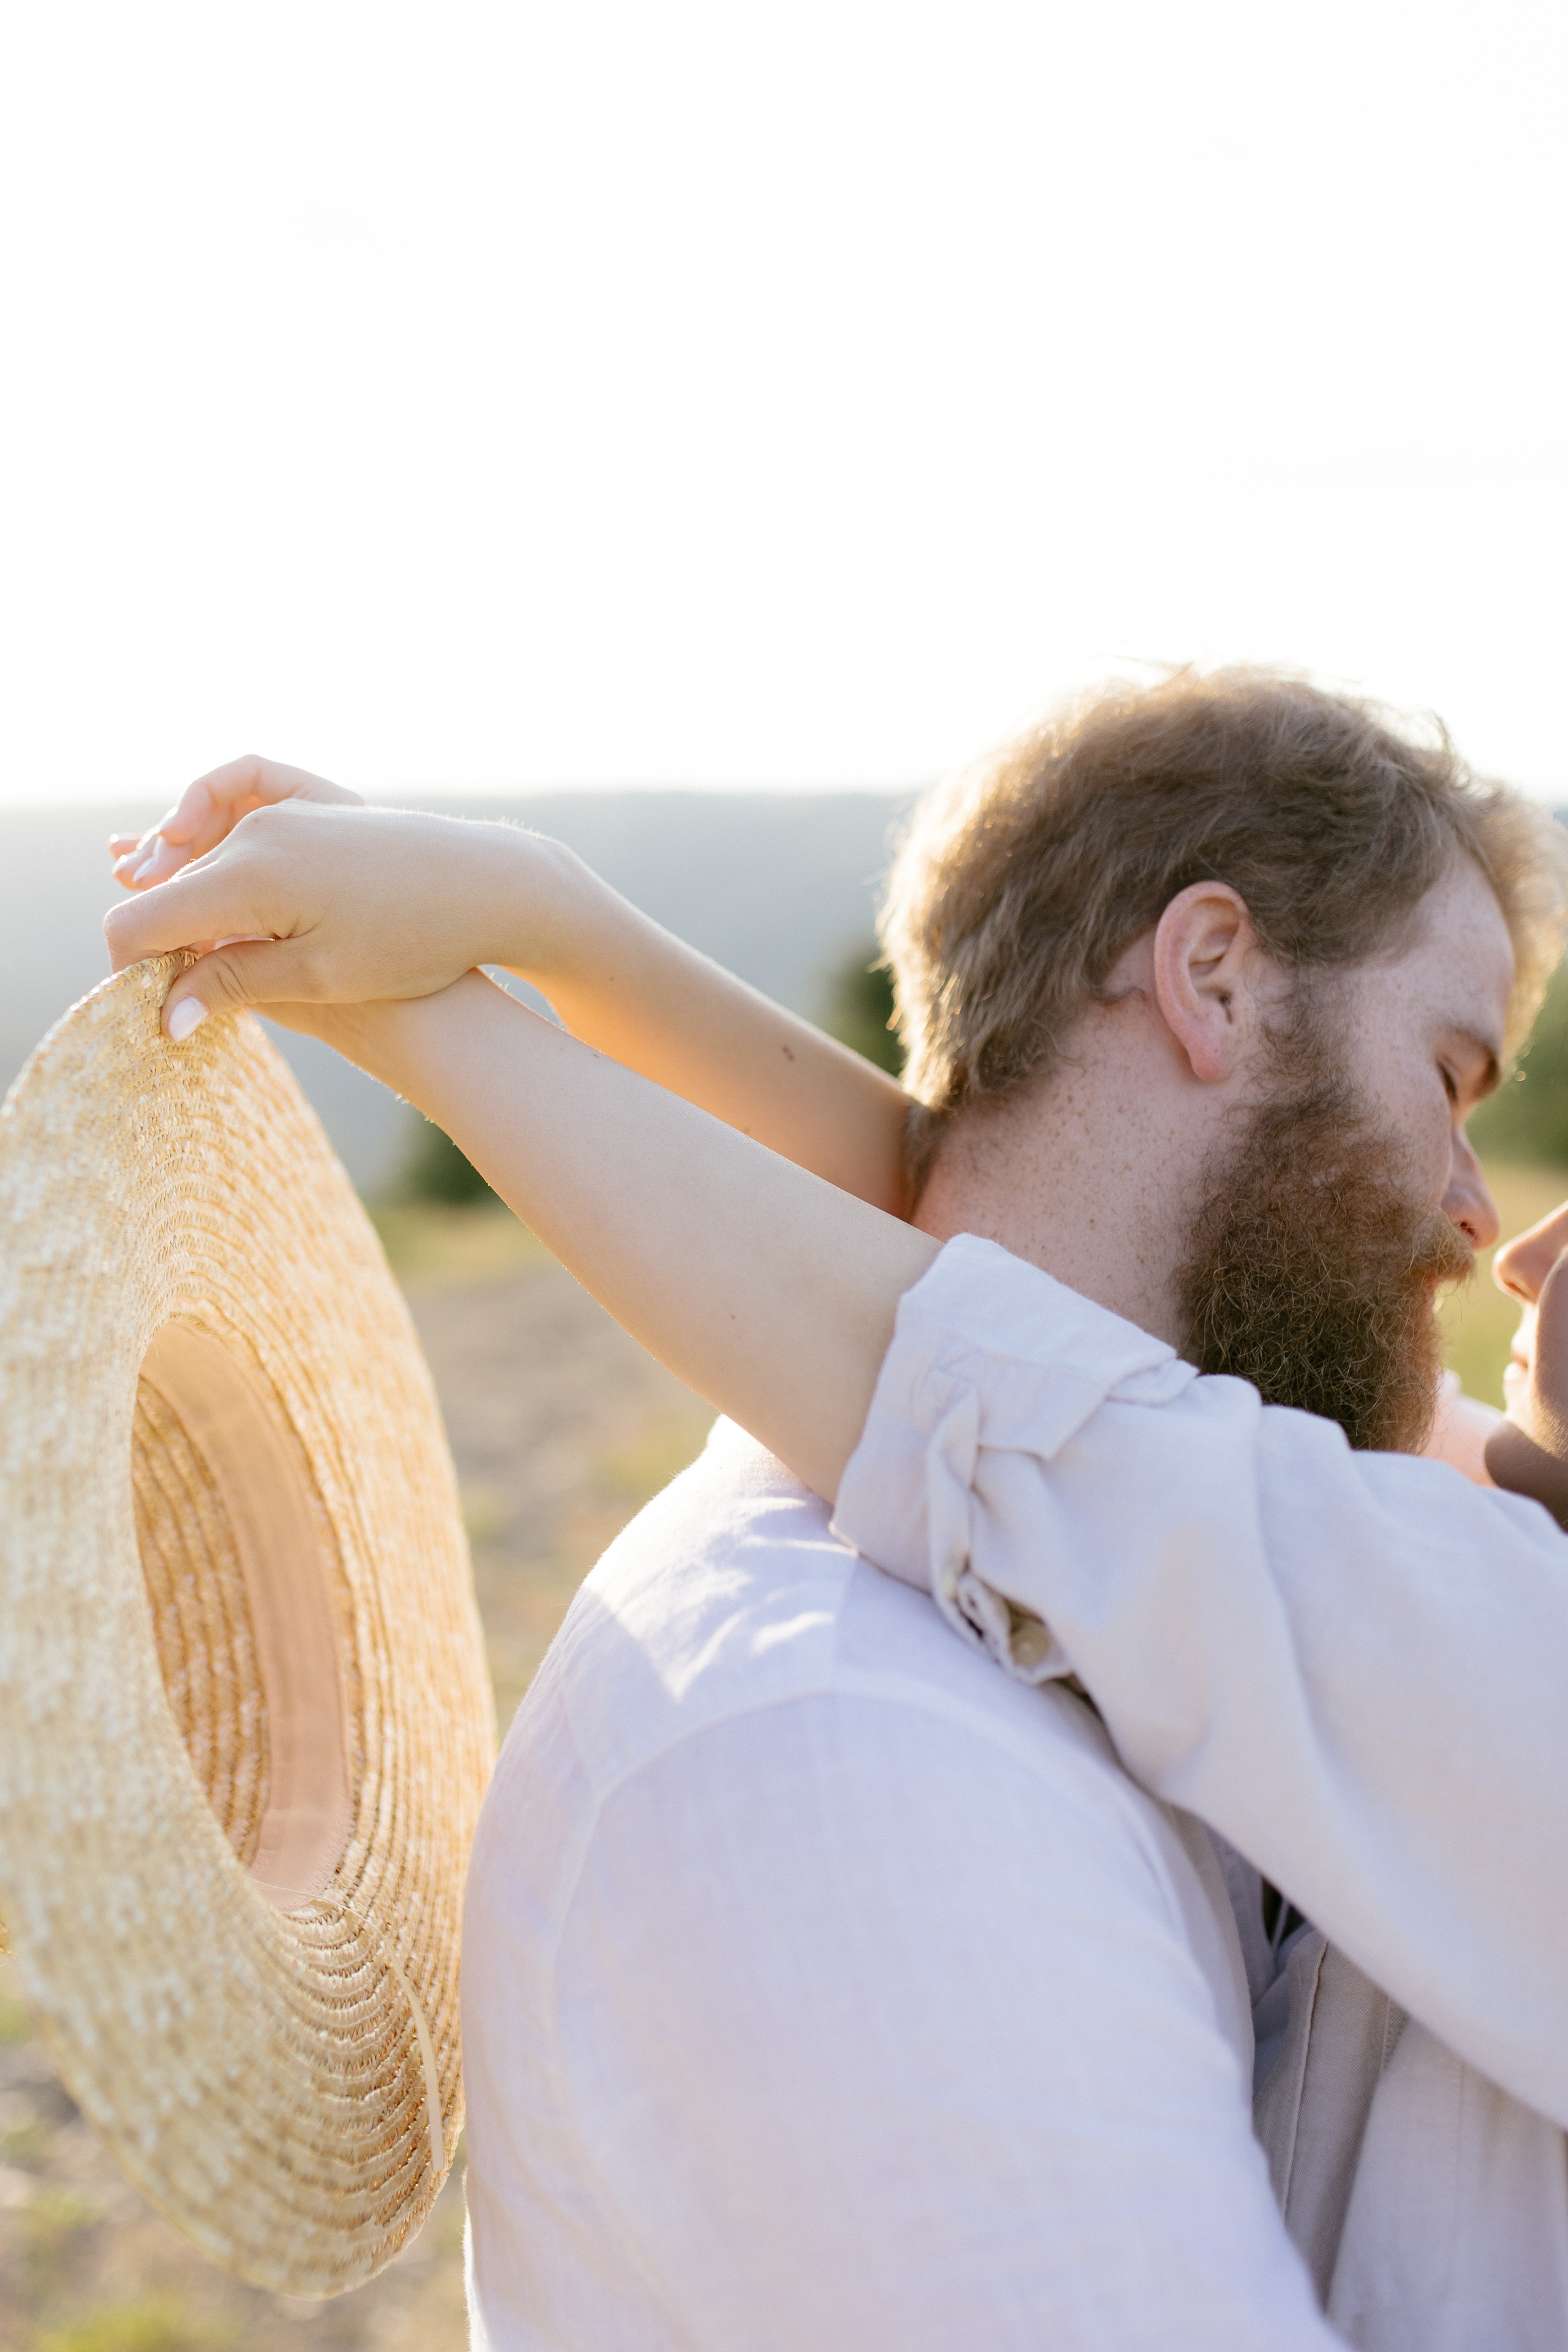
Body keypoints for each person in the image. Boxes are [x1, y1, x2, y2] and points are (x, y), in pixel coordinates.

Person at [105, 673, 1568, 2350]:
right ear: (1212, 977)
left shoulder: (1470, 1629)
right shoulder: (850, 1732)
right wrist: (541, 930)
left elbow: (1015, 1395)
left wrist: (463, 994)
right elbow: (1025, 1337)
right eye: (1449, 1077)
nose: (1505, 1232)